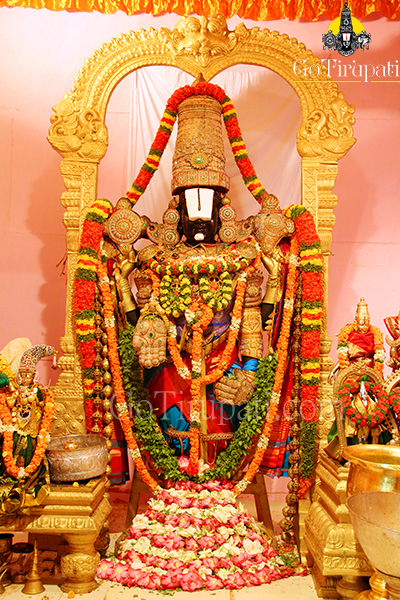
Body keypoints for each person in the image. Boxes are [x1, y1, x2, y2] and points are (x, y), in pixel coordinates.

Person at [0, 345, 55, 516]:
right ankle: (13, 483)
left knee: (32, 455)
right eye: (22, 375)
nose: (25, 378)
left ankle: (29, 483)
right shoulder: (15, 391)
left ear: (33, 376)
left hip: (32, 432)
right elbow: (9, 405)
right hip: (17, 431)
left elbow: (43, 406)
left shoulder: (38, 391)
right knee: (12, 454)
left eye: (28, 375)